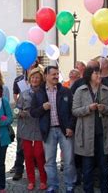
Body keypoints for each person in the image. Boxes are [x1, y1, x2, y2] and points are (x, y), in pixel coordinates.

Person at [30, 65, 76, 193]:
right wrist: (43, 108)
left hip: (64, 130)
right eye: (53, 74)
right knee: (49, 161)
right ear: (46, 76)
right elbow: (33, 112)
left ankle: (69, 184)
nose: (56, 76)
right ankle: (52, 185)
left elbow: (73, 111)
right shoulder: (39, 93)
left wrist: (70, 127)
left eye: (57, 74)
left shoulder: (65, 91)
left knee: (69, 160)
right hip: (48, 131)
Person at [72, 66, 108, 193]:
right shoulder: (81, 90)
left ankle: (105, 190)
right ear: (89, 75)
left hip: (103, 133)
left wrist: (104, 108)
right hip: (86, 134)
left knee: (104, 166)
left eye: (99, 73)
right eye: (96, 73)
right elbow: (74, 111)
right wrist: (88, 108)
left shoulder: (106, 90)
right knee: (88, 167)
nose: (99, 76)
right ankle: (88, 190)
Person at [16, 68, 47, 190]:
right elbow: (16, 109)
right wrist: (20, 112)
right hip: (26, 127)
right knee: (28, 155)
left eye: (37, 78)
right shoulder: (24, 94)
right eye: (33, 77)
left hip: (39, 127)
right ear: (29, 79)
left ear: (41, 80)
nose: (35, 79)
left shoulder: (44, 93)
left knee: (39, 154)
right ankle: (31, 180)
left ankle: (44, 179)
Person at [10, 60, 39, 180]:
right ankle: (18, 168)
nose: (30, 64)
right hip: (24, 119)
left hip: (37, 119)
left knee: (39, 147)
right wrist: (19, 108)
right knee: (21, 146)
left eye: (32, 63)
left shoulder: (40, 80)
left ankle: (37, 165)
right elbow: (15, 95)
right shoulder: (18, 80)